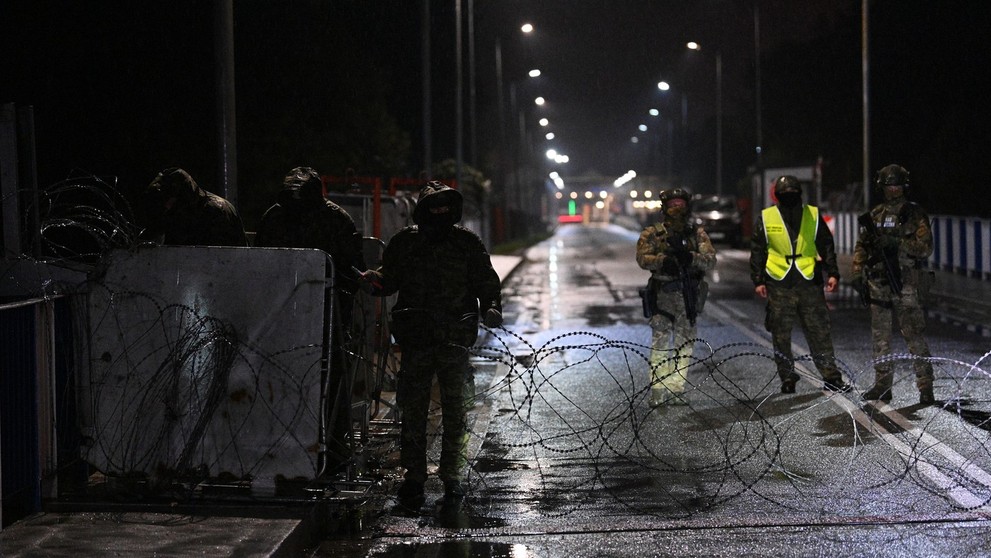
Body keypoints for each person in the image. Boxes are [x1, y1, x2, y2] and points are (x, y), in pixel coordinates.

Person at [359, 181, 503, 508]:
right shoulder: (405, 242)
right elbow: (389, 279)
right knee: (413, 410)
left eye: (445, 206)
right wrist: (372, 281)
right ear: (422, 210)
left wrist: (492, 306)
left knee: (456, 410)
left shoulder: (466, 242)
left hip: (454, 338)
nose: (440, 212)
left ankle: (452, 476)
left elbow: (486, 281)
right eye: (434, 206)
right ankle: (414, 477)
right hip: (417, 339)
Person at [750, 175, 850, 394]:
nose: (789, 198)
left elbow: (826, 245)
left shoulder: (812, 215)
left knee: (819, 332)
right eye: (784, 194)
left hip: (809, 282)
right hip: (779, 283)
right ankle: (787, 377)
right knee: (781, 334)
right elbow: (758, 249)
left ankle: (831, 377)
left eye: (792, 194)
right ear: (777, 196)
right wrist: (758, 279)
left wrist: (833, 273)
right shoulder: (767, 217)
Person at [851, 164, 935, 405]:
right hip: (878, 283)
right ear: (882, 187)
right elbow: (862, 247)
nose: (893, 190)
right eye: (889, 185)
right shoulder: (875, 215)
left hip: (905, 282)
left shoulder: (914, 214)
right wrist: (857, 272)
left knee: (914, 335)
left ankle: (925, 386)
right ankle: (882, 385)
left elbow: (925, 248)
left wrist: (897, 244)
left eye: (897, 185)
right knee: (880, 337)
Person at [635, 188, 716, 406]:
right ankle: (659, 390)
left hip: (687, 293)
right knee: (661, 342)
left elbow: (710, 260)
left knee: (685, 342)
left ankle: (677, 387)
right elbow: (642, 258)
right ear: (665, 208)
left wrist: (690, 257)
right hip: (662, 293)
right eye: (673, 204)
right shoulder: (652, 233)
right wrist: (662, 260)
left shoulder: (696, 234)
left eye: (680, 204)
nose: (677, 209)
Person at [255, 166, 366, 323]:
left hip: (325, 307)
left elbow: (353, 268)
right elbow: (257, 262)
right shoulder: (275, 217)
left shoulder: (336, 219)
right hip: (279, 305)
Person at [137, 167, 248, 247]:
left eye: (169, 199)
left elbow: (217, 255)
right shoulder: (182, 211)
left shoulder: (216, 210)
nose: (166, 206)